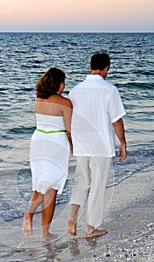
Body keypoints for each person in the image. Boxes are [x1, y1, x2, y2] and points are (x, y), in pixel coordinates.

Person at [67, 52, 127, 238]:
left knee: (81, 182)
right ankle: (91, 228)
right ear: (106, 68)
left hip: (81, 144)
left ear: (90, 67)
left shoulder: (75, 90)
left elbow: (69, 120)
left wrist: (71, 143)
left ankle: (72, 216)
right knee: (98, 186)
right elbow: (116, 121)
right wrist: (123, 143)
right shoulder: (109, 90)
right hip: (100, 146)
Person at [23, 67, 73, 239]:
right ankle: (45, 232)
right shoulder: (65, 103)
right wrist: (73, 147)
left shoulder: (38, 100)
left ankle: (29, 213)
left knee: (39, 184)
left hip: (38, 141)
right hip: (55, 143)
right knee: (51, 188)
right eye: (63, 82)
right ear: (59, 83)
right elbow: (68, 131)